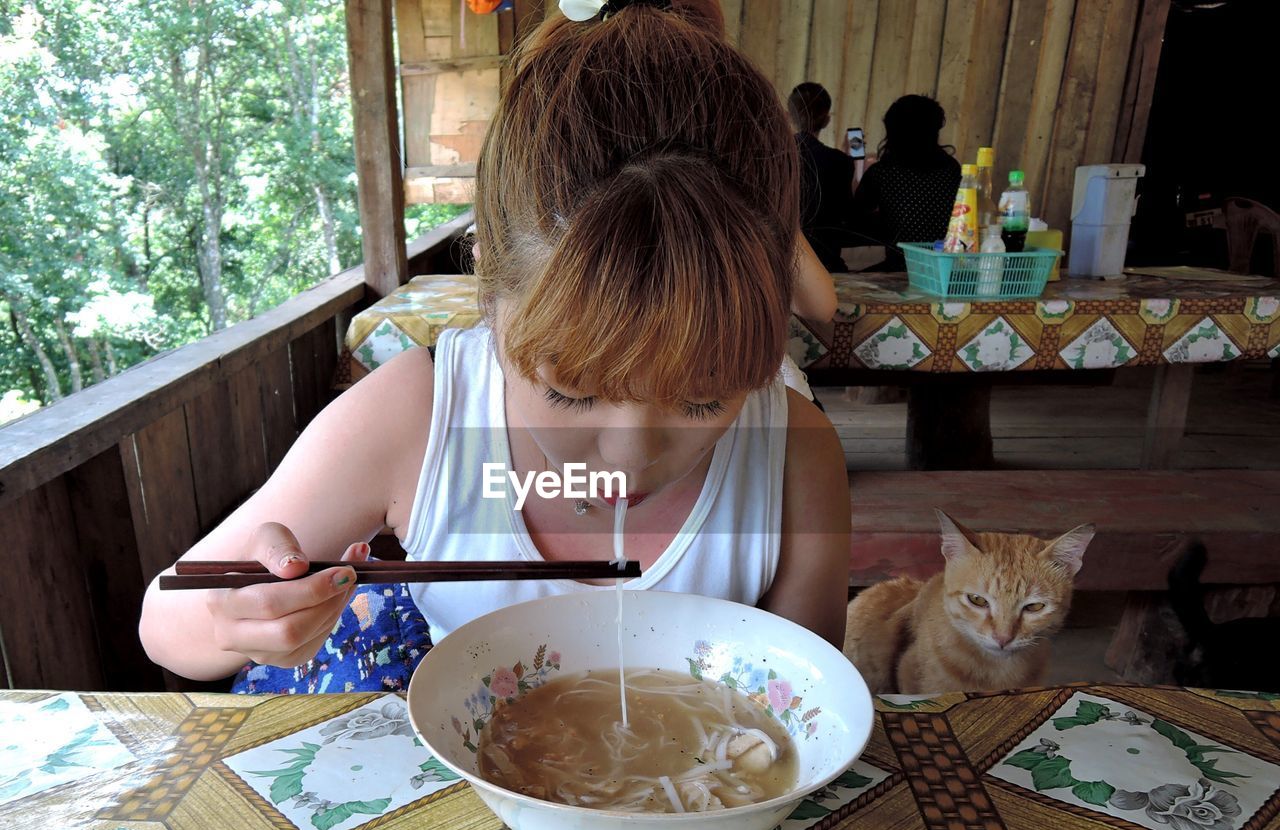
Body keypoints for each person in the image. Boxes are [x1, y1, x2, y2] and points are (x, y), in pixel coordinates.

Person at [137, 0, 851, 690]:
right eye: (568, 390)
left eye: (702, 400)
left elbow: (802, 710)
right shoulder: (419, 415)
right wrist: (241, 618)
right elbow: (163, 620)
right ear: (486, 284)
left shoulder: (795, 456)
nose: (630, 457)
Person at [849, 94, 961, 271]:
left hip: (901, 267)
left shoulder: (883, 172)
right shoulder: (952, 169)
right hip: (945, 267)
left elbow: (854, 218)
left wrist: (854, 164)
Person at [788, 82, 860, 272]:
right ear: (827, 120)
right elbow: (849, 213)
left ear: (788, 115)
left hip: (781, 262)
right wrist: (852, 160)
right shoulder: (840, 161)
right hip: (826, 263)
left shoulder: (772, 157)